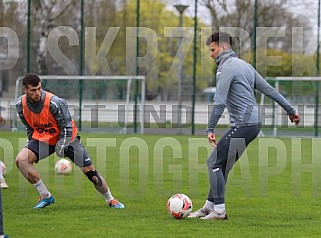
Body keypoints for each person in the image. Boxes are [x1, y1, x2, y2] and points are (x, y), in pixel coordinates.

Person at [188, 32, 300, 220]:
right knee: (222, 164)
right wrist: (290, 110)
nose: (211, 54)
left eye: (212, 49)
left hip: (244, 125)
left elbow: (219, 102)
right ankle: (209, 206)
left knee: (213, 162)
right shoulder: (245, 66)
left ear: (223, 47)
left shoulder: (226, 67)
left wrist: (210, 129)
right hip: (253, 125)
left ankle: (219, 212)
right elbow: (270, 90)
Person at [15, 73, 124, 209]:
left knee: (91, 174)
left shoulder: (54, 102)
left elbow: (66, 126)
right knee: (21, 160)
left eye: (39, 88)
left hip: (67, 138)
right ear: (25, 90)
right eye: (33, 90)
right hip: (43, 138)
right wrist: (32, 146)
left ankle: (111, 199)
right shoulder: (20, 104)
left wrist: (61, 147)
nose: (37, 93)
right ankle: (45, 196)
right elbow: (30, 127)